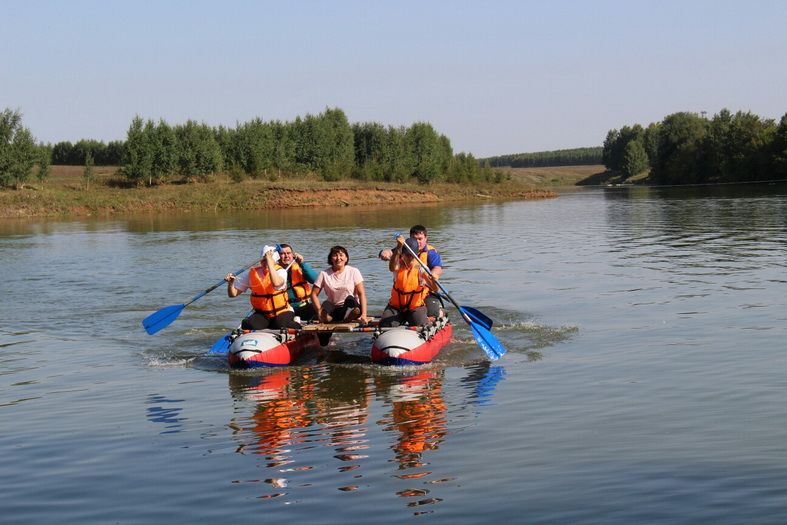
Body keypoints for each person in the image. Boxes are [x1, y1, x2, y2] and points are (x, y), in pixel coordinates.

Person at [224, 245, 301, 331]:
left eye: (268, 261)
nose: (266, 263)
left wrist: (270, 262)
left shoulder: (281, 271)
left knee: (280, 324)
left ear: (274, 261)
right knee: (247, 324)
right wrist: (231, 283)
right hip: (263, 314)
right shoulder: (252, 274)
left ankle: (296, 322)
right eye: (263, 261)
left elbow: (276, 283)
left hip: (282, 311)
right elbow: (233, 294)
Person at [379, 225, 444, 317]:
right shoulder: (405, 248)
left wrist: (434, 274)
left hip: (426, 291)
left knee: (432, 313)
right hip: (404, 295)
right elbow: (391, 254)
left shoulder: (431, 252)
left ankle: (439, 313)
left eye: (420, 239)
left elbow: (438, 268)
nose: (417, 242)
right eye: (414, 239)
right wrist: (384, 253)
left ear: (426, 238)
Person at [311, 245, 369, 325]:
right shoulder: (324, 274)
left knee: (350, 299)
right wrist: (318, 311)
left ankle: (348, 316)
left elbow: (361, 294)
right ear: (331, 259)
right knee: (326, 304)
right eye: (335, 255)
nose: (338, 258)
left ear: (346, 258)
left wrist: (364, 314)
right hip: (334, 310)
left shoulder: (353, 271)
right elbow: (313, 294)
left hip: (351, 308)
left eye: (341, 255)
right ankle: (325, 317)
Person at [278, 243, 319, 322]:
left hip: (304, 305)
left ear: (293, 255)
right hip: (286, 309)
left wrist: (302, 263)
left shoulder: (300, 267)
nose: (286, 256)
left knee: (318, 310)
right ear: (277, 257)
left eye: (288, 253)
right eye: (282, 254)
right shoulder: (274, 272)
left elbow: (315, 280)